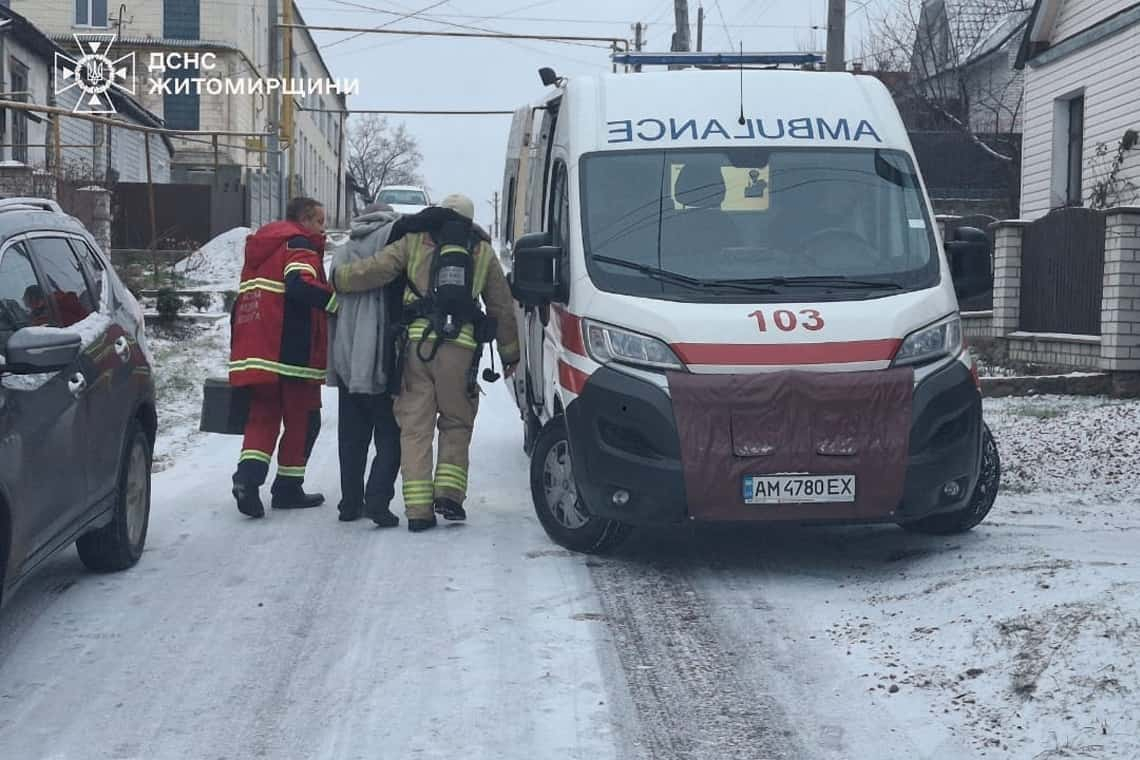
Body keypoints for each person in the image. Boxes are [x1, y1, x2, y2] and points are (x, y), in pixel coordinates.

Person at [333, 194, 519, 533]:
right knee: (456, 423)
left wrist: (341, 278)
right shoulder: (481, 250)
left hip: (417, 348)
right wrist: (510, 354)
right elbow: (501, 306)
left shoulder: (416, 240)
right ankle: (449, 495)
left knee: (415, 428)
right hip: (460, 349)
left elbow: (377, 269)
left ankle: (418, 511)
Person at [229, 197, 337, 518]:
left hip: (256, 348)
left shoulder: (263, 246)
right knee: (304, 419)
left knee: (262, 418)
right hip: (291, 350)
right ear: (304, 219)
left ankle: (247, 480)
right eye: (320, 221)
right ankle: (288, 489)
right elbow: (299, 286)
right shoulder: (299, 244)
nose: (324, 229)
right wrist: (335, 304)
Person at [326, 201, 404, 527]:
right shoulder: (395, 243)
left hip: (346, 354)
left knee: (351, 437)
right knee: (390, 433)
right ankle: (377, 499)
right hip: (380, 355)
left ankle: (349, 503)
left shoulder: (343, 251)